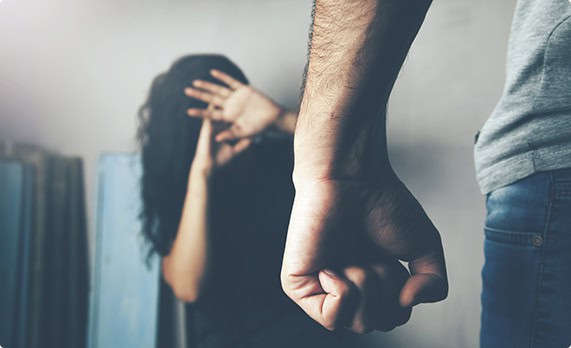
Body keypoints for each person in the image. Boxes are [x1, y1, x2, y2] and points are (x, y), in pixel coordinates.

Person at [137, 54, 410, 347]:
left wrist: (281, 118)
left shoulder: (283, 159)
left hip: (308, 334)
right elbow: (188, 288)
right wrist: (201, 174)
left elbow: (357, 151)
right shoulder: (180, 186)